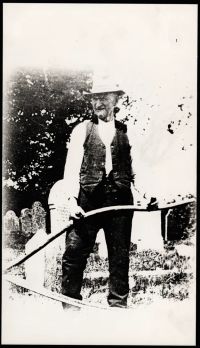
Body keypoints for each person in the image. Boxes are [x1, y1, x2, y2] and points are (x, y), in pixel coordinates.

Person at [62, 79, 135, 308]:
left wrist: (147, 193)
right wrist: (72, 202)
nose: (98, 102)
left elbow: (137, 168)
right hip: (87, 202)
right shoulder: (81, 130)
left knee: (120, 258)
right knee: (74, 256)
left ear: (116, 100)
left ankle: (118, 309)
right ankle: (70, 308)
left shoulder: (126, 132)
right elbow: (71, 170)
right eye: (95, 97)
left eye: (104, 96)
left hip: (120, 201)